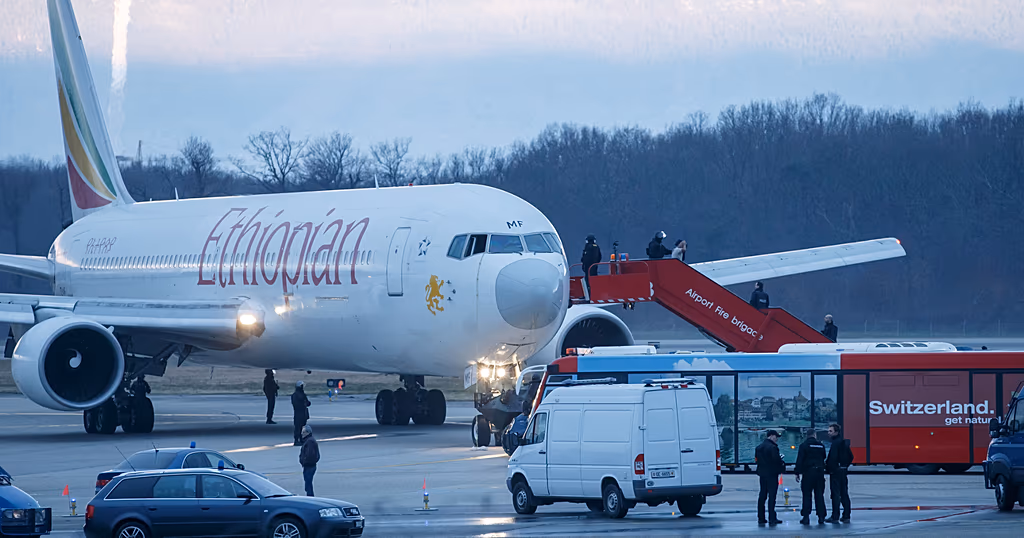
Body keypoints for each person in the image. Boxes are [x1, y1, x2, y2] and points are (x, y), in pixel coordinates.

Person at [794, 429, 828, 525]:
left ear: (807, 435)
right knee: (819, 495)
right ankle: (821, 517)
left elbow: (800, 460)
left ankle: (806, 517)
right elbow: (824, 457)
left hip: (808, 473)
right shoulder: (821, 445)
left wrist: (797, 472)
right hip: (819, 473)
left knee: (807, 495)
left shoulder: (804, 446)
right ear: (814, 435)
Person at [755, 430, 785, 526]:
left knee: (762, 496)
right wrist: (782, 466)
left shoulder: (758, 447)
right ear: (771, 436)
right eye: (776, 437)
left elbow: (757, 460)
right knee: (772, 496)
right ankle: (772, 517)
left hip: (762, 474)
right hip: (772, 475)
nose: (776, 439)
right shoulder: (773, 448)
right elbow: (776, 461)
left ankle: (761, 517)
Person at [825, 423, 854, 523]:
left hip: (836, 472)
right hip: (843, 471)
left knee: (835, 494)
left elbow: (832, 459)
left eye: (830, 431)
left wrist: (829, 468)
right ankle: (846, 515)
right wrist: (845, 466)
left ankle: (835, 516)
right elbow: (851, 457)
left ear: (836, 432)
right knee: (844, 493)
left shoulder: (835, 444)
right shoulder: (843, 443)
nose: (828, 433)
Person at [298, 425, 320, 496]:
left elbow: (310, 455)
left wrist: (304, 462)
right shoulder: (309, 440)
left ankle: (310, 497)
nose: (302, 434)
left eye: (303, 432)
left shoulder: (310, 441)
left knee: (308, 484)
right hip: (309, 466)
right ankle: (310, 496)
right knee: (308, 483)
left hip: (309, 466)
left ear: (308, 432)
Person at [291, 381, 311, 446]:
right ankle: (297, 440)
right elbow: (297, 404)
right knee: (298, 427)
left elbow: (308, 403)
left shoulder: (300, 394)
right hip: (299, 413)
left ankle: (301, 439)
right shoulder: (297, 395)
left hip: (301, 413)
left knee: (302, 427)